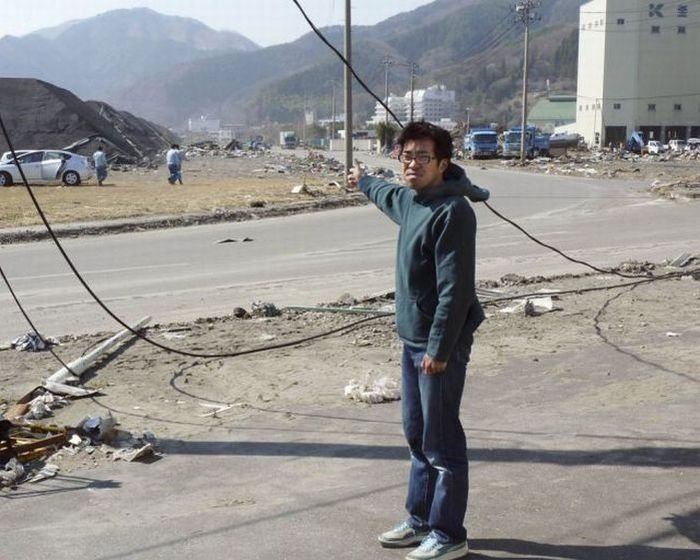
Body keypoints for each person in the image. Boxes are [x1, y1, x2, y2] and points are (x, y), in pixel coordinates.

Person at [347, 121, 488, 560]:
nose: (412, 163)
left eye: (423, 157)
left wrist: (439, 350)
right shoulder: (411, 200)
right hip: (412, 341)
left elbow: (456, 290)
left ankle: (449, 535)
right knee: (416, 435)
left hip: (437, 346)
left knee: (442, 441)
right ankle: (421, 519)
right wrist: (362, 181)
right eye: (406, 155)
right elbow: (385, 194)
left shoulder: (453, 213)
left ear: (443, 164)